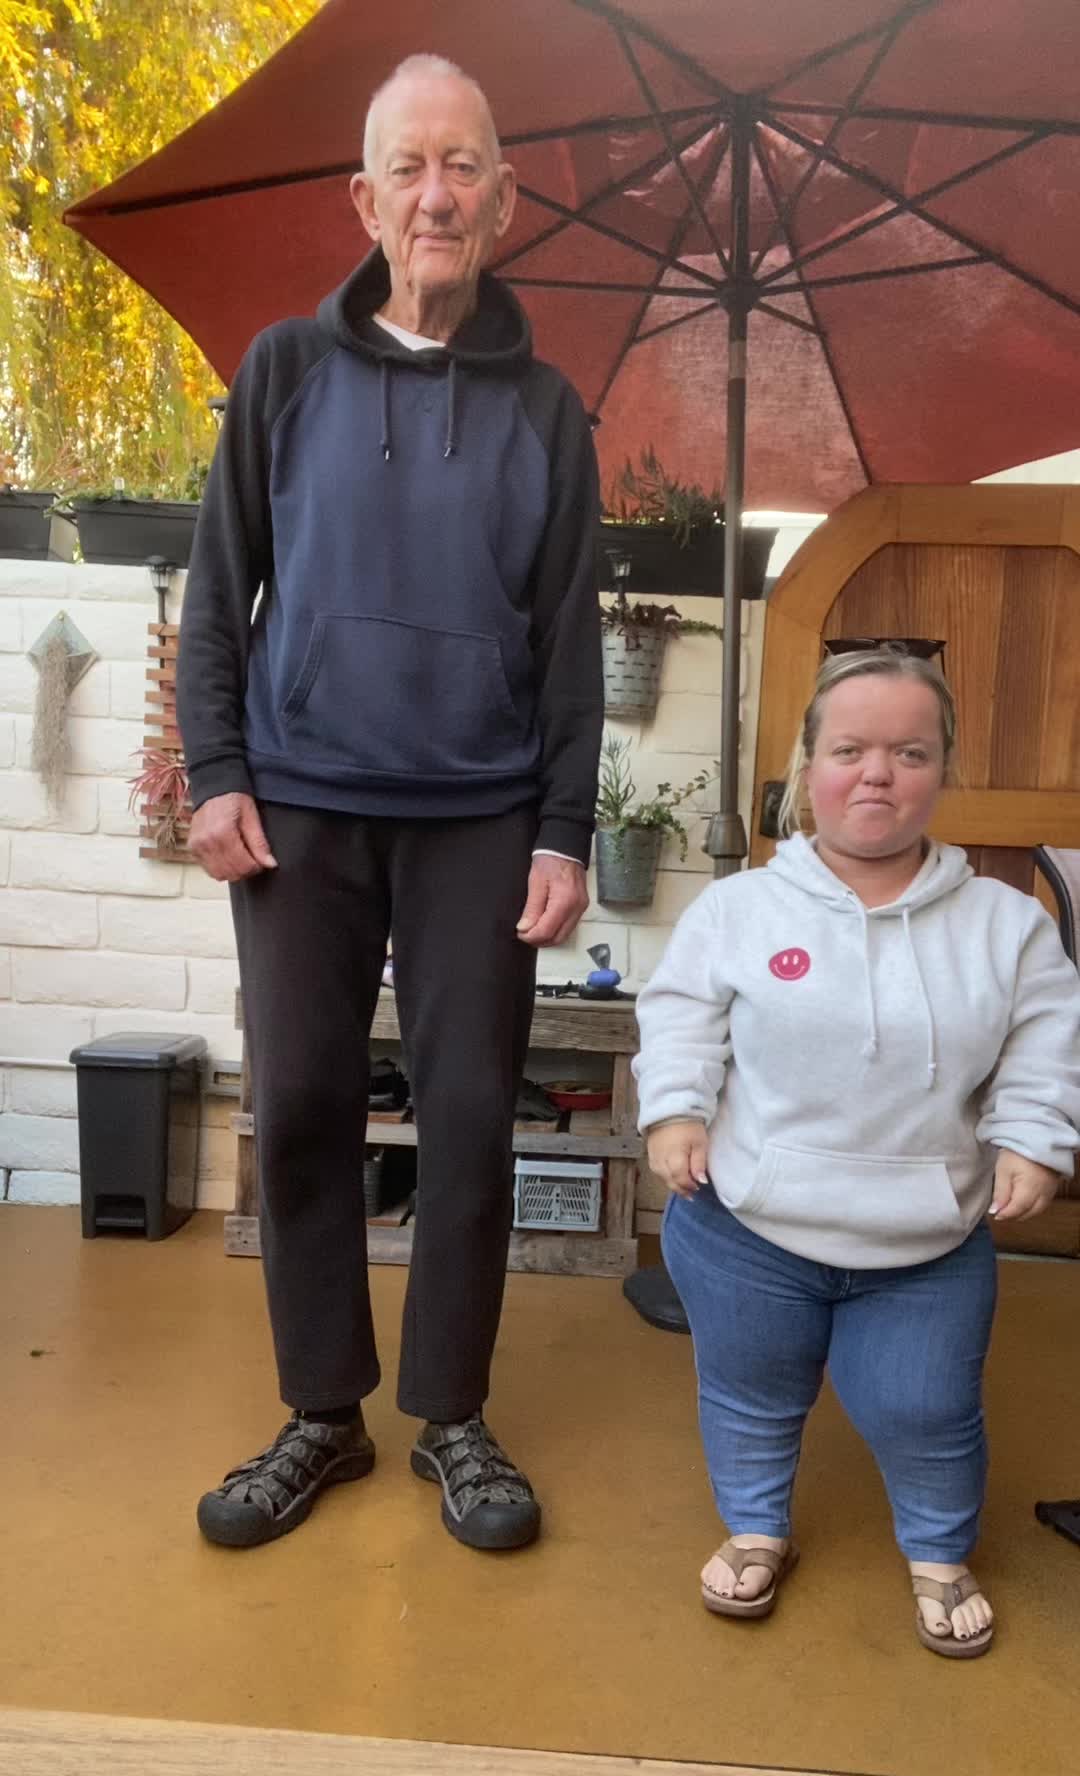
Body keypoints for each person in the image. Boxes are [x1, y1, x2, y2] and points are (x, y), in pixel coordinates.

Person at [177, 54, 602, 1553]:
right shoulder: (285, 371)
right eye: (409, 168)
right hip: (301, 804)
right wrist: (216, 773)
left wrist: (564, 827)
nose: (437, 195)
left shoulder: (548, 410)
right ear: (366, 200)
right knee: (299, 1102)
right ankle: (323, 1412)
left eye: (463, 165)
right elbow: (219, 591)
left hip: (481, 811)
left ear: (504, 198)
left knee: (472, 1114)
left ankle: (453, 1415)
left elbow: (569, 641)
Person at [633, 645, 1080, 1657]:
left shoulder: (1007, 926)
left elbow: (1047, 1045)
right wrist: (673, 1114)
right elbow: (680, 1018)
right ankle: (757, 1528)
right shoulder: (738, 909)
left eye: (909, 752)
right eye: (850, 750)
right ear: (808, 767)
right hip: (747, 1224)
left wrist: (1034, 1139)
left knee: (927, 1408)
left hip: (925, 1240)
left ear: (942, 770)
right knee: (750, 1391)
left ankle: (938, 1552)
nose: (878, 773)